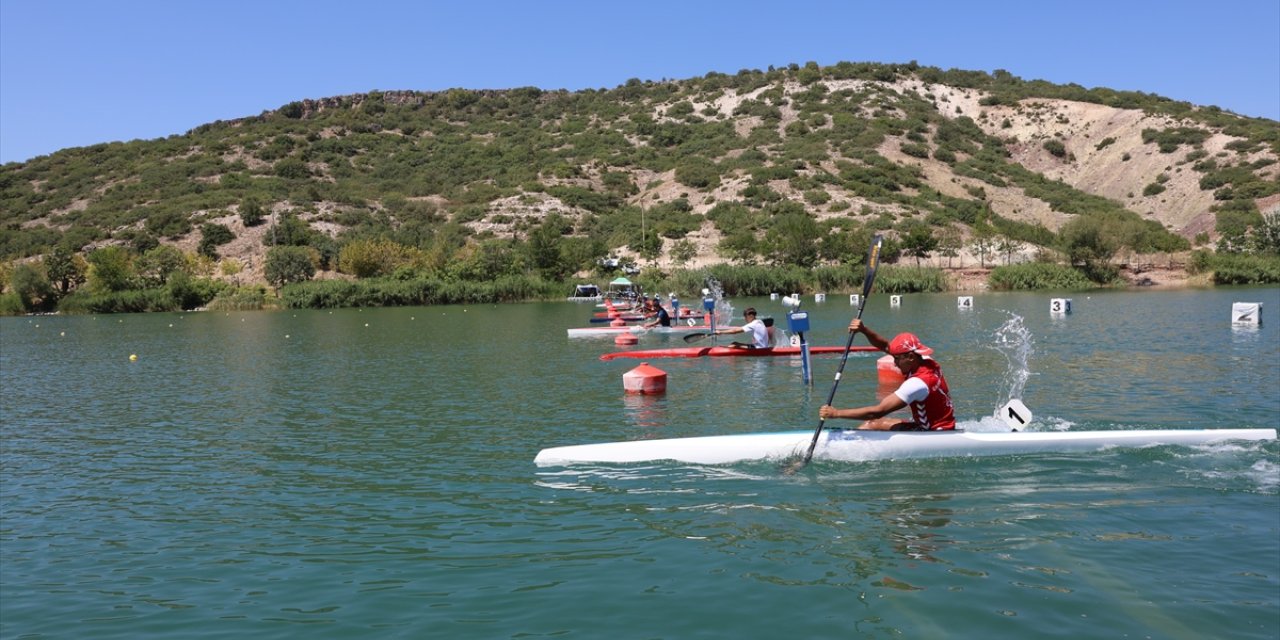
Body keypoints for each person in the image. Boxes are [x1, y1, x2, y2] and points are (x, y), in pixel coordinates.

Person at [819, 319, 956, 431]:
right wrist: (864, 330)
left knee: (872, 421)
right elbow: (885, 345)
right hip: (941, 424)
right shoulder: (926, 361)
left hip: (932, 433)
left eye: (897, 359)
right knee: (873, 423)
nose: (894, 363)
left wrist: (836, 413)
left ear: (910, 357)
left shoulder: (917, 384)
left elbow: (878, 411)